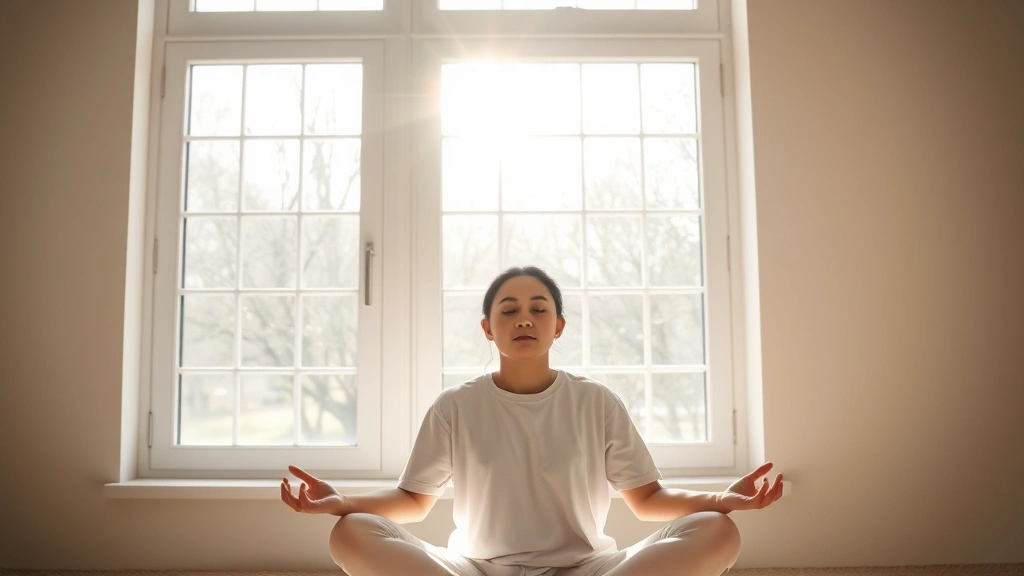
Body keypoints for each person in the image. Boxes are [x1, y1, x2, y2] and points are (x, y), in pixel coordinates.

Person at [281, 266, 784, 576]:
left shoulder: (596, 402)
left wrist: (721, 500)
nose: (525, 319)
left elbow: (648, 501)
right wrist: (341, 503)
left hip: (587, 568)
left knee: (718, 532)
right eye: (509, 309)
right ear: (488, 328)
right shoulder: (455, 405)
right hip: (474, 569)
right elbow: (413, 503)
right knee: (350, 533)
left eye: (539, 309)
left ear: (557, 326)